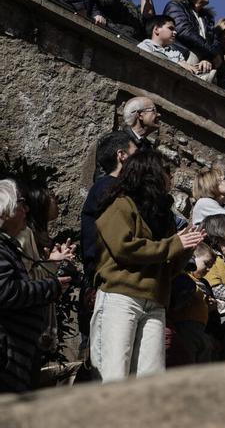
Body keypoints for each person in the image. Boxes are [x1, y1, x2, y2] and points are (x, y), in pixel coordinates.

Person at [91, 150, 205, 382]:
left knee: (150, 383)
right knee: (113, 377)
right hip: (120, 297)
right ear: (149, 173)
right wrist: (173, 244)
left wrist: (185, 249)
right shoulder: (121, 206)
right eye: (165, 171)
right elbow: (124, 249)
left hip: (154, 301)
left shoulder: (162, 216)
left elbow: (168, 269)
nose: (170, 178)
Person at [0, 179, 72, 393]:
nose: (26, 209)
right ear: (5, 211)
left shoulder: (7, 246)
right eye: (20, 203)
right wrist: (51, 287)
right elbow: (6, 291)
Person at [80, 132, 140, 351]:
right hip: (104, 284)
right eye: (135, 153)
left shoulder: (112, 189)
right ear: (122, 156)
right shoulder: (109, 189)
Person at [163, 0, 221, 75]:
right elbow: (184, 31)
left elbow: (215, 42)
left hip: (200, 64)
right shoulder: (175, 6)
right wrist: (211, 54)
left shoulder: (207, 18)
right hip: (179, 59)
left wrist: (207, 59)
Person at [137, 15, 203, 73]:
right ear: (156, 29)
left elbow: (185, 66)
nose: (175, 32)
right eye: (171, 28)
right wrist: (178, 64)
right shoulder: (145, 46)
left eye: (175, 30)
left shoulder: (176, 53)